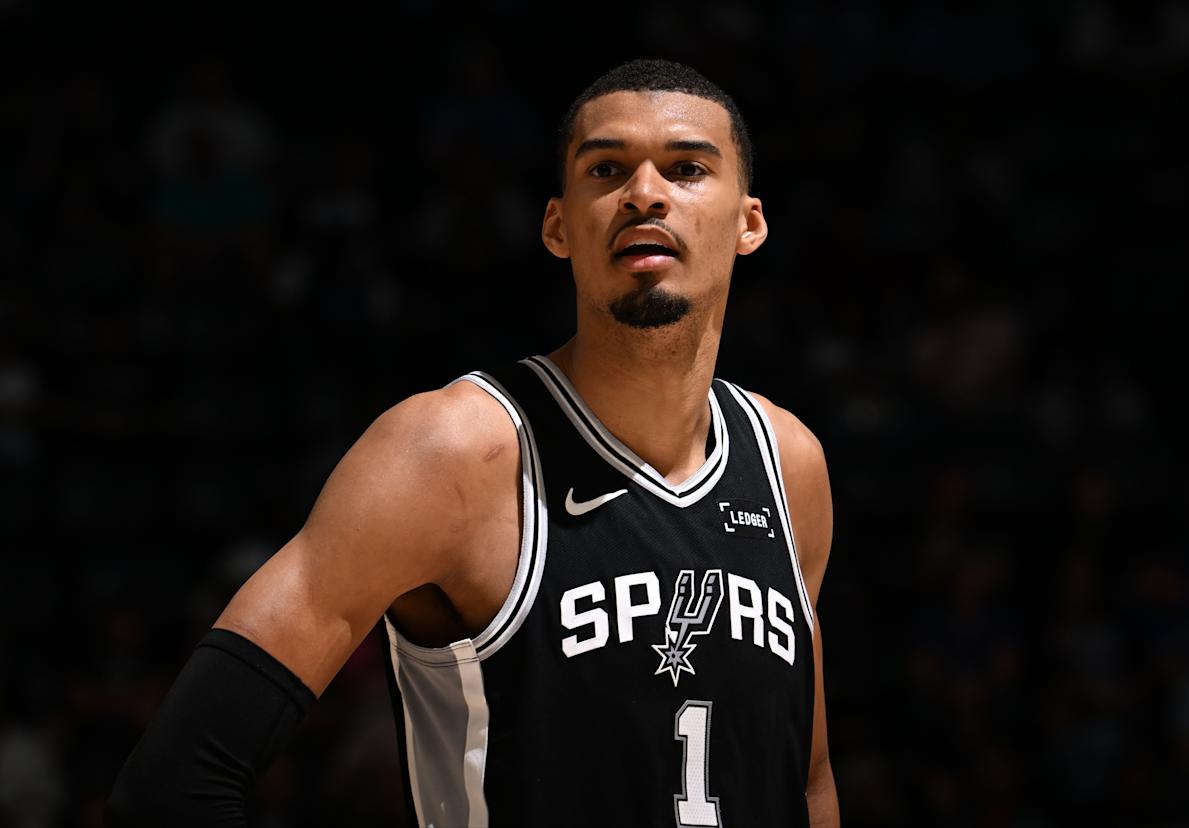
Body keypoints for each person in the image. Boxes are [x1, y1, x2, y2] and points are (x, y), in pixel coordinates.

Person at [106, 57, 839, 828]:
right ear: (558, 225)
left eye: (686, 168)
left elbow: (810, 783)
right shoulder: (448, 453)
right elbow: (171, 786)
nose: (645, 193)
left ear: (749, 222)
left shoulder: (789, 465)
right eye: (607, 169)